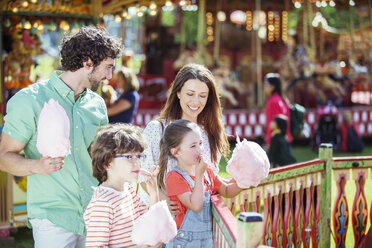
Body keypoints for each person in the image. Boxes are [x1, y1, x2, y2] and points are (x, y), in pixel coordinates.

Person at [0, 27, 122, 247]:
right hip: (53, 216)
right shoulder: (30, 100)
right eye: (108, 67)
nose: (109, 76)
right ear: (87, 62)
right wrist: (38, 165)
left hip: (94, 213)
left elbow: (102, 160)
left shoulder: (97, 105)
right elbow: (4, 156)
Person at [138, 63, 230, 206]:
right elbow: (142, 175)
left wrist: (243, 179)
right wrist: (165, 201)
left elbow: (213, 180)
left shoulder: (210, 132)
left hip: (199, 221)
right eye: (190, 94)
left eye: (202, 96)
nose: (196, 101)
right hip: (162, 217)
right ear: (178, 93)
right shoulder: (157, 129)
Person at [159, 119, 242, 248]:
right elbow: (195, 205)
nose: (200, 149)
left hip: (206, 239)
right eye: (193, 146)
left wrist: (244, 182)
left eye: (201, 143)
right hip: (183, 242)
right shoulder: (174, 177)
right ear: (176, 152)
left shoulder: (206, 171)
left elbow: (226, 190)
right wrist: (199, 175)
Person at [84, 124, 160, 248]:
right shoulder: (103, 203)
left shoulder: (129, 190)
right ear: (107, 163)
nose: (138, 163)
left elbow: (147, 223)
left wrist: (153, 194)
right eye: (130, 157)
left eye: (139, 156)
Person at [264, 73, 293, 147]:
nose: (264, 86)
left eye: (266, 84)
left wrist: (269, 142)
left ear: (273, 86)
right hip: (284, 139)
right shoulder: (281, 99)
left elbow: (275, 124)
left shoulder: (274, 101)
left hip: (277, 142)